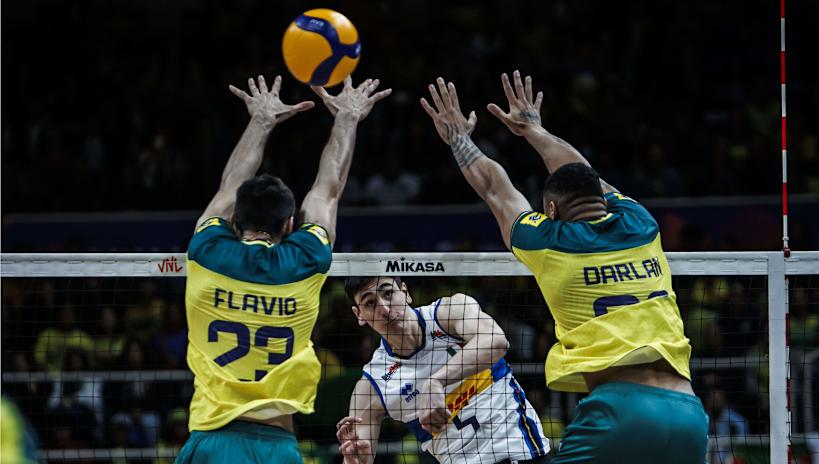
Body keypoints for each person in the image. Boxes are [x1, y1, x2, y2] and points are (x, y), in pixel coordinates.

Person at [420, 71, 708, 463]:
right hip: (690, 414)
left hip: (619, 411)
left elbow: (496, 189)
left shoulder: (547, 242)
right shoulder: (641, 222)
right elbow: (586, 175)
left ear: (551, 210)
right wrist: (535, 131)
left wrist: (457, 138)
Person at [176, 74, 391, 464]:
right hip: (277, 446)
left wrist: (261, 121)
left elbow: (229, 187)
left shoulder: (207, 250)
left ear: (234, 221)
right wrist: (347, 118)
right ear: (290, 225)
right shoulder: (305, 261)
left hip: (213, 442)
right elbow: (329, 187)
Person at [336, 276, 550, 464]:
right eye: (370, 303)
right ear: (359, 315)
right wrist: (354, 460)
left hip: (522, 453)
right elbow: (360, 456)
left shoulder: (449, 313)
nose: (384, 308)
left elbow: (496, 341)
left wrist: (435, 382)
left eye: (388, 293)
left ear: (405, 292)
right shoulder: (370, 387)